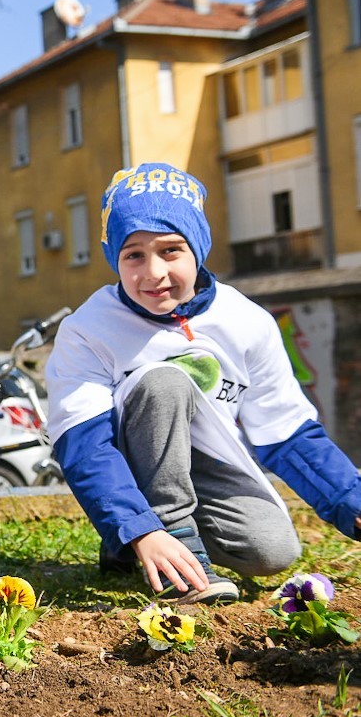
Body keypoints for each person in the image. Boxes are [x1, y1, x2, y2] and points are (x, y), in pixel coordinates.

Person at [47, 162, 361, 604]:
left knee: (271, 551)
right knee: (163, 382)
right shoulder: (88, 329)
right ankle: (161, 535)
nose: (152, 272)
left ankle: (133, 539)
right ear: (114, 258)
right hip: (129, 461)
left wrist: (352, 502)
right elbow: (86, 445)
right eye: (133, 254)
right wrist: (142, 529)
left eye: (171, 250)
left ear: (198, 248)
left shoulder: (246, 321)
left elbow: (287, 432)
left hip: (204, 467)